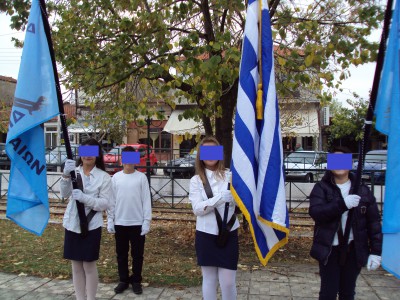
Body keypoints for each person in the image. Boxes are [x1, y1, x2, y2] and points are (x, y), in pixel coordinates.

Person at [309, 146, 382, 300]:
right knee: (328, 293)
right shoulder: (321, 188)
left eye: (343, 160)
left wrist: (376, 252)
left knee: (347, 293)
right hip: (330, 250)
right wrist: (342, 204)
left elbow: (373, 223)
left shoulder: (362, 190)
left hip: (354, 250)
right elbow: (317, 213)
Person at [60, 138, 112, 300]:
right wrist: (65, 176)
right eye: (85, 152)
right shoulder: (74, 172)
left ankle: (91, 298)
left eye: (91, 152)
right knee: (76, 266)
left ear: (97, 155)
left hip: (91, 225)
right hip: (73, 223)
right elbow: (64, 194)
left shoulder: (104, 177)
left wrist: (84, 198)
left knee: (89, 265)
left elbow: (104, 203)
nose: (87, 156)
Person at [189, 136, 239, 300]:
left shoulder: (231, 176)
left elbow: (241, 206)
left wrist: (236, 200)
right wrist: (219, 198)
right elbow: (197, 209)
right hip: (206, 234)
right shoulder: (196, 181)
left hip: (229, 233)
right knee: (209, 280)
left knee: (228, 281)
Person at [107, 146, 152, 295]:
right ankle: (123, 280)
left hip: (137, 223)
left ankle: (136, 280)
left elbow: (146, 201)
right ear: (122, 160)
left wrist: (146, 221)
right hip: (120, 222)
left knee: (137, 254)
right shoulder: (116, 178)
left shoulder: (141, 178)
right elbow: (111, 201)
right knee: (121, 253)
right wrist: (110, 219)